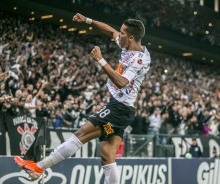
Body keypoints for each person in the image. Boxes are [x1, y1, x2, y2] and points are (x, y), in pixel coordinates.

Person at [14, 13, 151, 183]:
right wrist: (88, 20)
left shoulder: (139, 59)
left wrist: (101, 60)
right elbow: (110, 32)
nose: (118, 34)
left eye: (122, 33)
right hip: (119, 112)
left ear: (131, 37)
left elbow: (122, 82)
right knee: (107, 155)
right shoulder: (127, 45)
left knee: (81, 134)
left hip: (119, 109)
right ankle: (38, 169)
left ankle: (39, 167)